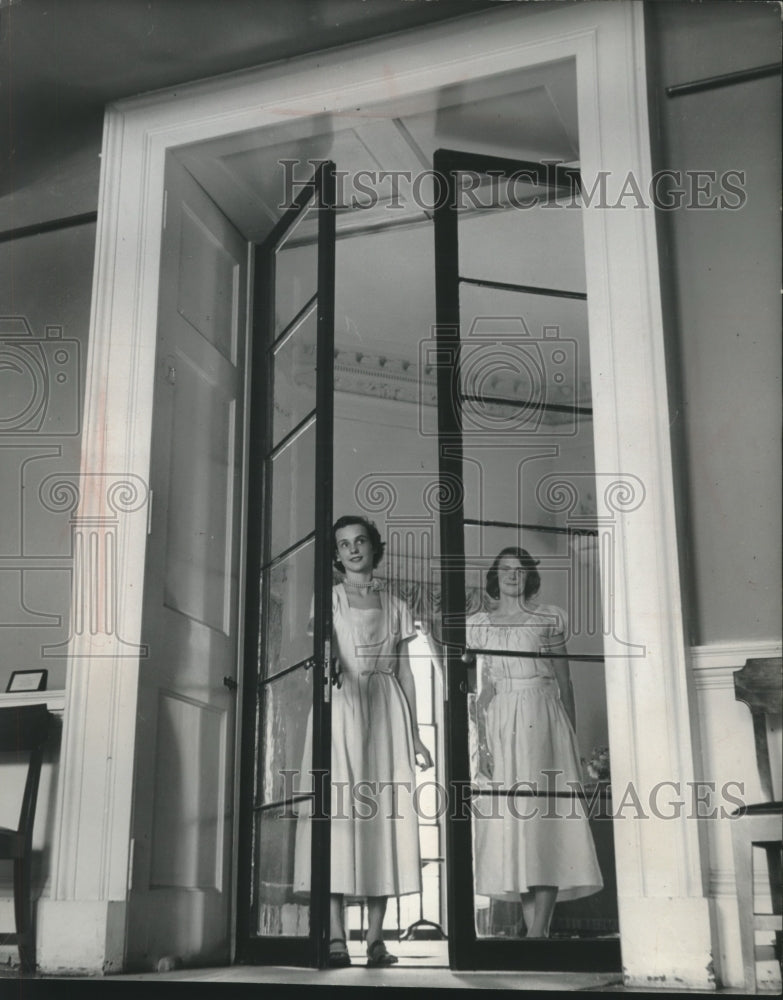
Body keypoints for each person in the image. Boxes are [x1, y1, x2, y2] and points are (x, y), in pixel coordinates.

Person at [293, 515, 434, 967]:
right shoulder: (329, 598)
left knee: (383, 817)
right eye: (344, 545)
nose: (353, 550)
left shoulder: (396, 603)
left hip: (386, 711)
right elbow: (325, 649)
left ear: (375, 547)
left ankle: (375, 939)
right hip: (341, 706)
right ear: (336, 556)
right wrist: (331, 660)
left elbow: (406, 672)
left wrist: (414, 736)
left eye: (361, 542)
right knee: (338, 813)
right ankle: (336, 936)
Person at [467, 546, 602, 939]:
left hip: (542, 718)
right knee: (516, 825)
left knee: (544, 821)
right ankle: (535, 932)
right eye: (506, 569)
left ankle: (538, 931)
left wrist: (570, 736)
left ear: (529, 577)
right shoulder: (479, 624)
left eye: (521, 569)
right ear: (495, 576)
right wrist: (484, 748)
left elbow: (565, 679)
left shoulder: (548, 617)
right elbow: (480, 690)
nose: (513, 575)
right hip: (500, 720)